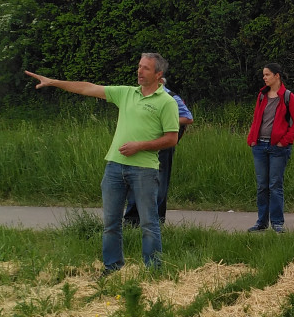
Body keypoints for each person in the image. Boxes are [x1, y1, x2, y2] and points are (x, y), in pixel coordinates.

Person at [25, 54, 180, 275]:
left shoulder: (166, 102)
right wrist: (53, 82)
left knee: (149, 223)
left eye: (146, 68)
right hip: (115, 167)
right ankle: (112, 268)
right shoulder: (127, 93)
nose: (139, 71)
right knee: (111, 223)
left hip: (144, 170)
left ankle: (153, 272)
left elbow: (171, 138)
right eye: (139, 67)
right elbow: (88, 88)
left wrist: (141, 145)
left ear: (158, 74)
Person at [123, 78, 192, 226]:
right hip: (141, 145)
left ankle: (156, 222)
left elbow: (188, 118)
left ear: (160, 81)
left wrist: (165, 120)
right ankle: (131, 221)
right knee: (135, 181)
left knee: (159, 185)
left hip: (162, 147)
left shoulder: (172, 98)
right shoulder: (140, 96)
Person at [246, 63, 294, 233]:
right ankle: (261, 222)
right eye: (263, 75)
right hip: (260, 146)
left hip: (278, 148)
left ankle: (277, 223)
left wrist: (284, 141)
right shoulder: (262, 95)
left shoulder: (287, 96)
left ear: (277, 76)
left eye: (267, 74)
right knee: (262, 186)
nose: (264, 77)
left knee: (275, 185)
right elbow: (257, 118)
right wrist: (252, 140)